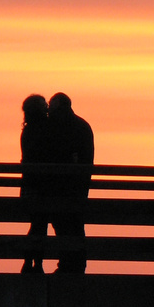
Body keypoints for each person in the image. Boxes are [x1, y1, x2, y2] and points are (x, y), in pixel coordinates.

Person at [45, 92, 94, 273]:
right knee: (71, 226)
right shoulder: (81, 126)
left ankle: (70, 265)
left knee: (67, 225)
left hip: (67, 188)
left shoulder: (65, 127)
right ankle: (73, 265)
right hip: (76, 188)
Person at [19, 94, 50, 274]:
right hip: (42, 185)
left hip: (30, 183)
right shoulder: (44, 129)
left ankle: (31, 262)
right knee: (40, 225)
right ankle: (35, 263)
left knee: (37, 224)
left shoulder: (28, 130)